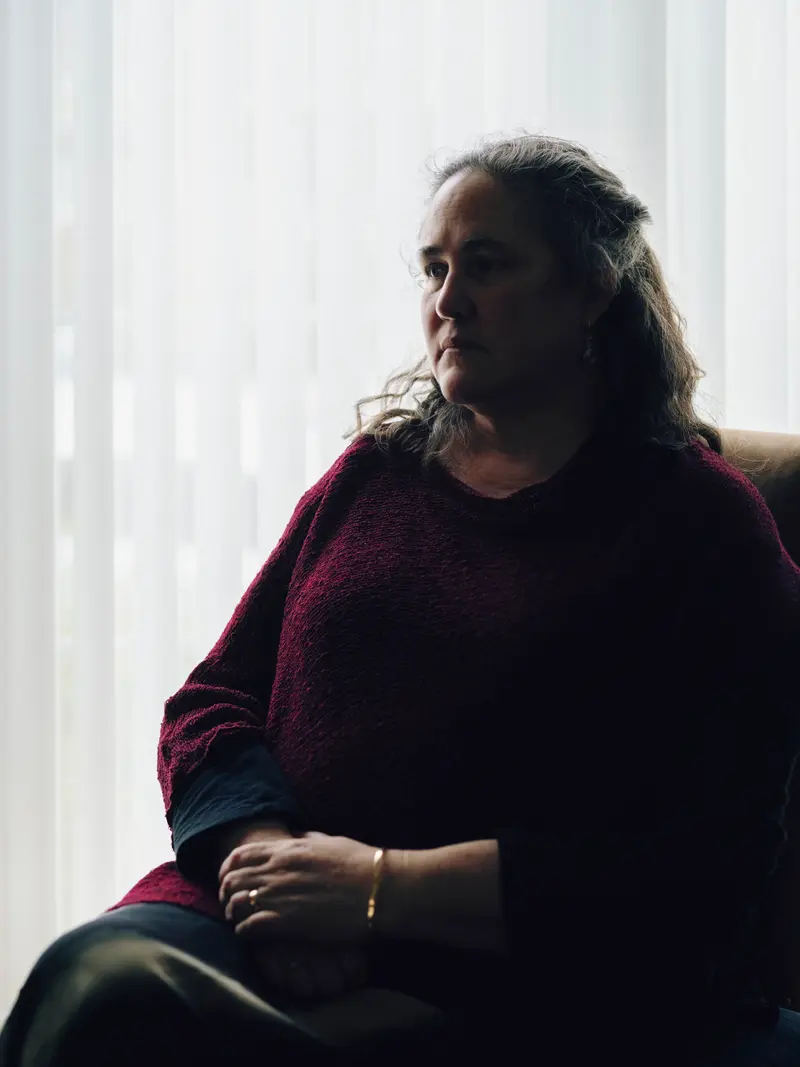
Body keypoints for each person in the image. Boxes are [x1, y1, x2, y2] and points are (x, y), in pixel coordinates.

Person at [2, 133, 800, 1067]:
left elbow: (693, 864)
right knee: (96, 981)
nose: (446, 302)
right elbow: (212, 700)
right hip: (268, 924)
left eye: (487, 266)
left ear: (593, 290)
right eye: (432, 269)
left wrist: (374, 888)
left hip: (516, 975)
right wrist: (274, 874)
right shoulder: (379, 471)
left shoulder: (699, 526)